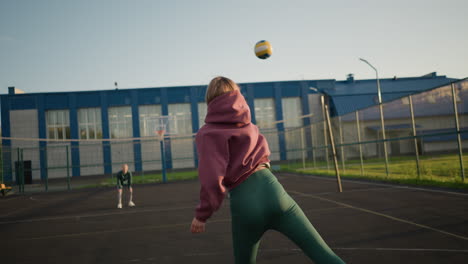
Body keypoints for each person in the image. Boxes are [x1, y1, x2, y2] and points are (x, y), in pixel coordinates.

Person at [190, 77, 345, 264]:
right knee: (324, 255)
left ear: (210, 101)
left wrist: (202, 215)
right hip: (275, 192)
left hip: (245, 202)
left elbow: (212, 178)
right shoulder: (250, 127)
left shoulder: (207, 133)